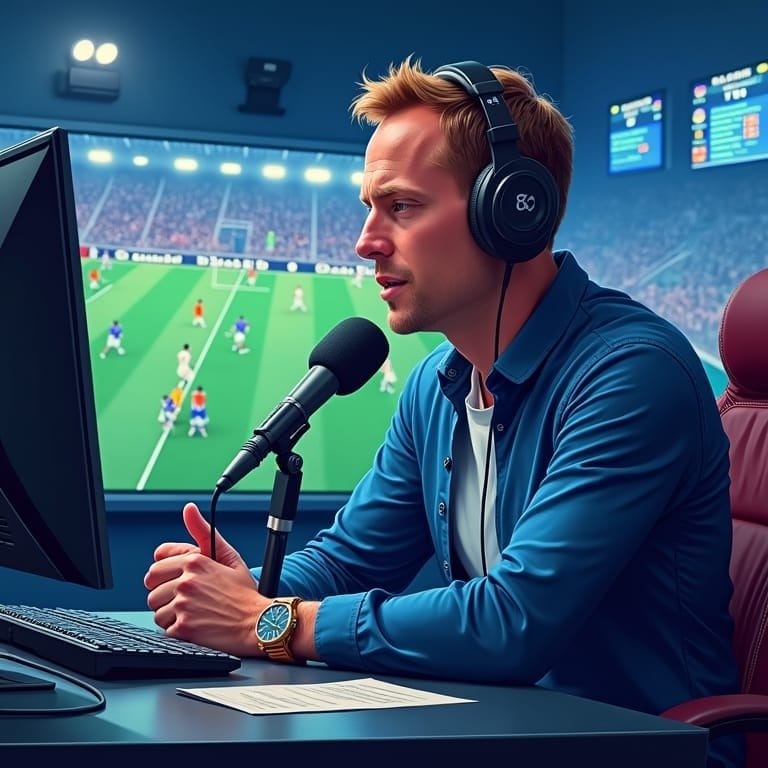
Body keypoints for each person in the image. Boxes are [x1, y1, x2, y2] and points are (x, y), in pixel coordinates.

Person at [144, 57, 741, 768]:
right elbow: (350, 560)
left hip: (637, 750)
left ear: (513, 210)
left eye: (400, 206)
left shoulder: (632, 375)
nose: (365, 241)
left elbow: (513, 620)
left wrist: (270, 622)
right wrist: (251, 588)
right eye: (369, 207)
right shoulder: (437, 385)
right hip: (504, 733)